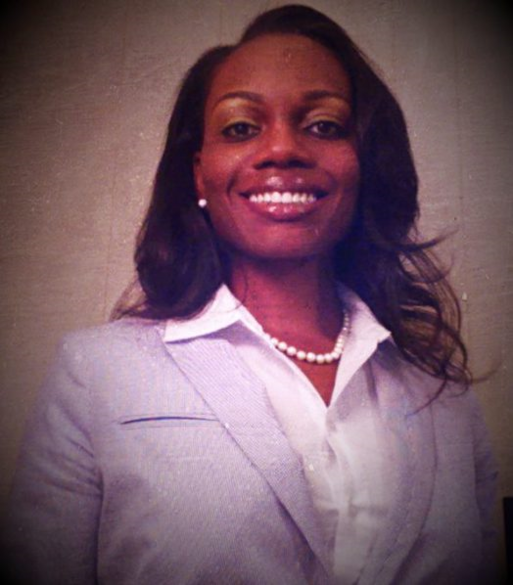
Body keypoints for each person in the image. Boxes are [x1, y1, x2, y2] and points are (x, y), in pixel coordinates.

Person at [2, 4, 498, 584]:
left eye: (324, 125)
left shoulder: (444, 392)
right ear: (199, 171)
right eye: (240, 127)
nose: (282, 148)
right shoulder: (95, 373)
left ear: (363, 163)